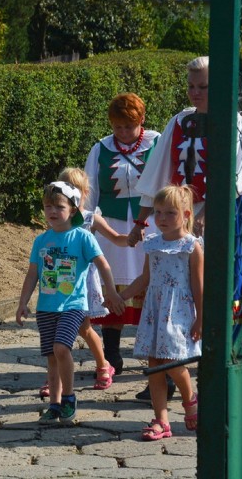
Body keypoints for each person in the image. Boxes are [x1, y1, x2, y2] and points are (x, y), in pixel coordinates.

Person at [134, 56, 242, 340]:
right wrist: (140, 221)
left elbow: (233, 177)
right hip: (180, 216)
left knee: (219, 279)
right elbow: (158, 172)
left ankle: (221, 346)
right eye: (191, 86)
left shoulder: (232, 121)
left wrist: (205, 214)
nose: (195, 92)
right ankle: (176, 354)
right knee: (181, 282)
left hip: (222, 213)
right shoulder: (179, 121)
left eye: (203, 86)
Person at [15, 181, 119, 424]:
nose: (52, 211)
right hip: (46, 307)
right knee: (52, 356)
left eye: (58, 206)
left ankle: (69, 398)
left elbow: (103, 264)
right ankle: (54, 404)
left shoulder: (82, 237)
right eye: (47, 206)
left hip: (73, 305)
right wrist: (23, 302)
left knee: (62, 348)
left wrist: (111, 292)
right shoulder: (41, 241)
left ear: (72, 210)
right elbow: (32, 274)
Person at [83, 93, 162, 394]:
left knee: (149, 283)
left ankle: (154, 355)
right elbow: (89, 191)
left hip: (152, 224)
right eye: (117, 127)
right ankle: (112, 352)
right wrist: (87, 225)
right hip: (112, 228)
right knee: (112, 285)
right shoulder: (100, 148)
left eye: (128, 126)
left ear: (141, 120)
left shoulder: (157, 142)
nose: (123, 133)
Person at [111, 185, 202, 440]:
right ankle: (161, 420)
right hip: (155, 310)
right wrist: (122, 296)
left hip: (179, 311)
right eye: (158, 213)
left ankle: (190, 401)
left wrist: (200, 319)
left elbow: (198, 285)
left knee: (173, 361)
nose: (161, 218)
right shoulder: (152, 244)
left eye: (169, 213)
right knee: (154, 364)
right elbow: (145, 278)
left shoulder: (192, 247)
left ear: (185, 214)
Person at [36, 168, 127, 400]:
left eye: (72, 189)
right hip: (60, 283)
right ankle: (55, 377)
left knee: (85, 329)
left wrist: (131, 238)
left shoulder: (90, 217)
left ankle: (103, 364)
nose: (63, 195)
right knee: (67, 333)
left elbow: (114, 237)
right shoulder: (56, 217)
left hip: (82, 280)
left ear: (83, 193)